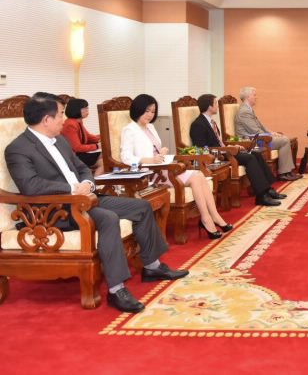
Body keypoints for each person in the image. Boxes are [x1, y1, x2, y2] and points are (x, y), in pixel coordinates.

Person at [5, 92, 187, 313]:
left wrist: (87, 183)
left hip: (85, 199)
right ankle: (117, 290)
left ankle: (152, 266)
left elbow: (82, 167)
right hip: (55, 209)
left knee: (141, 206)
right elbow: (30, 186)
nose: (64, 120)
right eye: (61, 114)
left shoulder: (60, 141)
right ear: (46, 119)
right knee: (108, 218)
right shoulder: (18, 148)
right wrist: (73, 189)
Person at [121, 94, 232, 239]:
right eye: (147, 111)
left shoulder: (150, 127)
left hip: (163, 167)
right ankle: (207, 219)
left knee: (199, 175)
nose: (150, 115)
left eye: (153, 111)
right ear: (138, 109)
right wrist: (149, 159)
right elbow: (126, 157)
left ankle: (213, 216)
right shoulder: (130, 130)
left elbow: (155, 148)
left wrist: (162, 151)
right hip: (150, 173)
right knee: (196, 176)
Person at [190, 94, 286, 207]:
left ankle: (268, 189)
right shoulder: (198, 124)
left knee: (256, 154)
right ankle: (261, 196)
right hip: (217, 156)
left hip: (224, 151)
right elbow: (201, 148)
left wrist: (233, 145)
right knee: (250, 158)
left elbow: (218, 141)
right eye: (215, 103)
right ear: (209, 106)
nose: (217, 106)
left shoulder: (211, 122)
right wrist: (226, 149)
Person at [235, 86, 301, 181]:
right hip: (252, 141)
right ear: (248, 96)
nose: (256, 97)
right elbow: (255, 131)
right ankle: (284, 173)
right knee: (285, 140)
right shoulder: (244, 112)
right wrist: (269, 136)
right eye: (254, 95)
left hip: (257, 138)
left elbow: (261, 127)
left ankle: (287, 171)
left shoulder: (248, 109)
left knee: (285, 138)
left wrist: (272, 133)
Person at [61, 98, 104, 176]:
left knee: (104, 161)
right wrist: (97, 146)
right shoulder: (70, 124)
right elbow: (76, 147)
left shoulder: (78, 121)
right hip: (74, 156)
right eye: (84, 108)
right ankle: (95, 182)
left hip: (80, 154)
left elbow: (88, 136)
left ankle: (95, 182)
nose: (87, 110)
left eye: (87, 108)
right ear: (76, 109)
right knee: (106, 157)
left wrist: (103, 140)